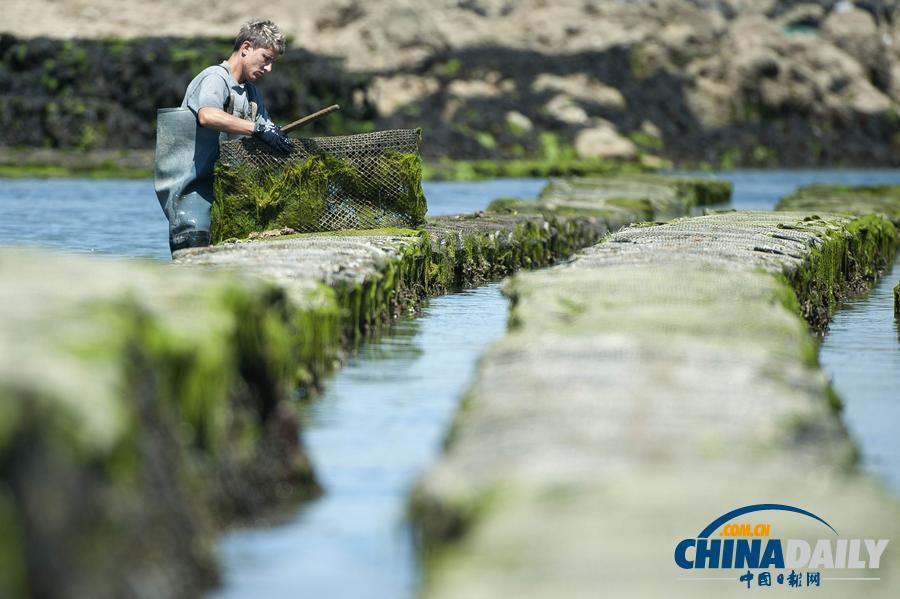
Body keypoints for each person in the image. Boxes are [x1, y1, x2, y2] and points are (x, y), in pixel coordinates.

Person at [155, 19, 292, 253]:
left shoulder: (252, 93)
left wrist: (274, 135)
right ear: (246, 48)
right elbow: (207, 116)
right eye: (266, 59)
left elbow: (266, 128)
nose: (269, 68)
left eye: (273, 62)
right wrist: (256, 129)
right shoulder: (215, 78)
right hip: (192, 205)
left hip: (228, 203)